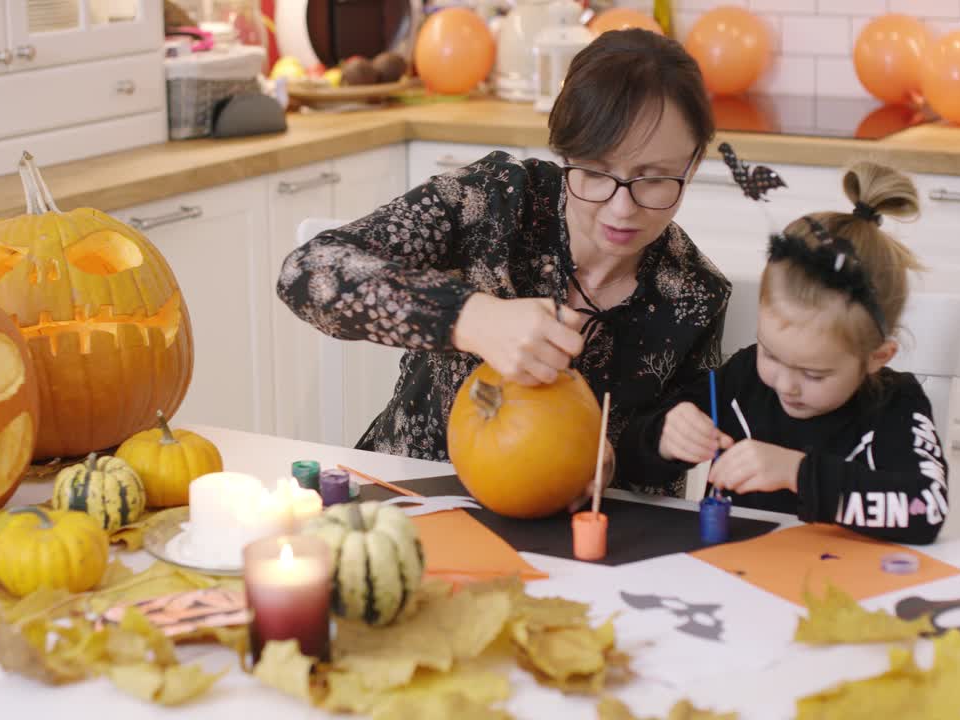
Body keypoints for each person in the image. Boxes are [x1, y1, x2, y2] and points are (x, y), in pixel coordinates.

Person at [276, 29, 730, 496]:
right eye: (595, 171)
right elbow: (309, 271)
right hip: (412, 496)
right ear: (565, 151)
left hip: (568, 527)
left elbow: (664, 468)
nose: (621, 208)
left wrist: (616, 465)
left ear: (693, 164)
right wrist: (471, 318)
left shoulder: (695, 294)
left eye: (654, 179)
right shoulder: (493, 200)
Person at [624, 160, 949, 544]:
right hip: (734, 571)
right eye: (771, 355)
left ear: (877, 357)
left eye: (814, 374)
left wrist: (798, 473)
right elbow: (633, 458)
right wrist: (663, 436)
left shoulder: (897, 404)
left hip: (845, 577)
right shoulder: (742, 378)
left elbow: (925, 509)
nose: (786, 385)